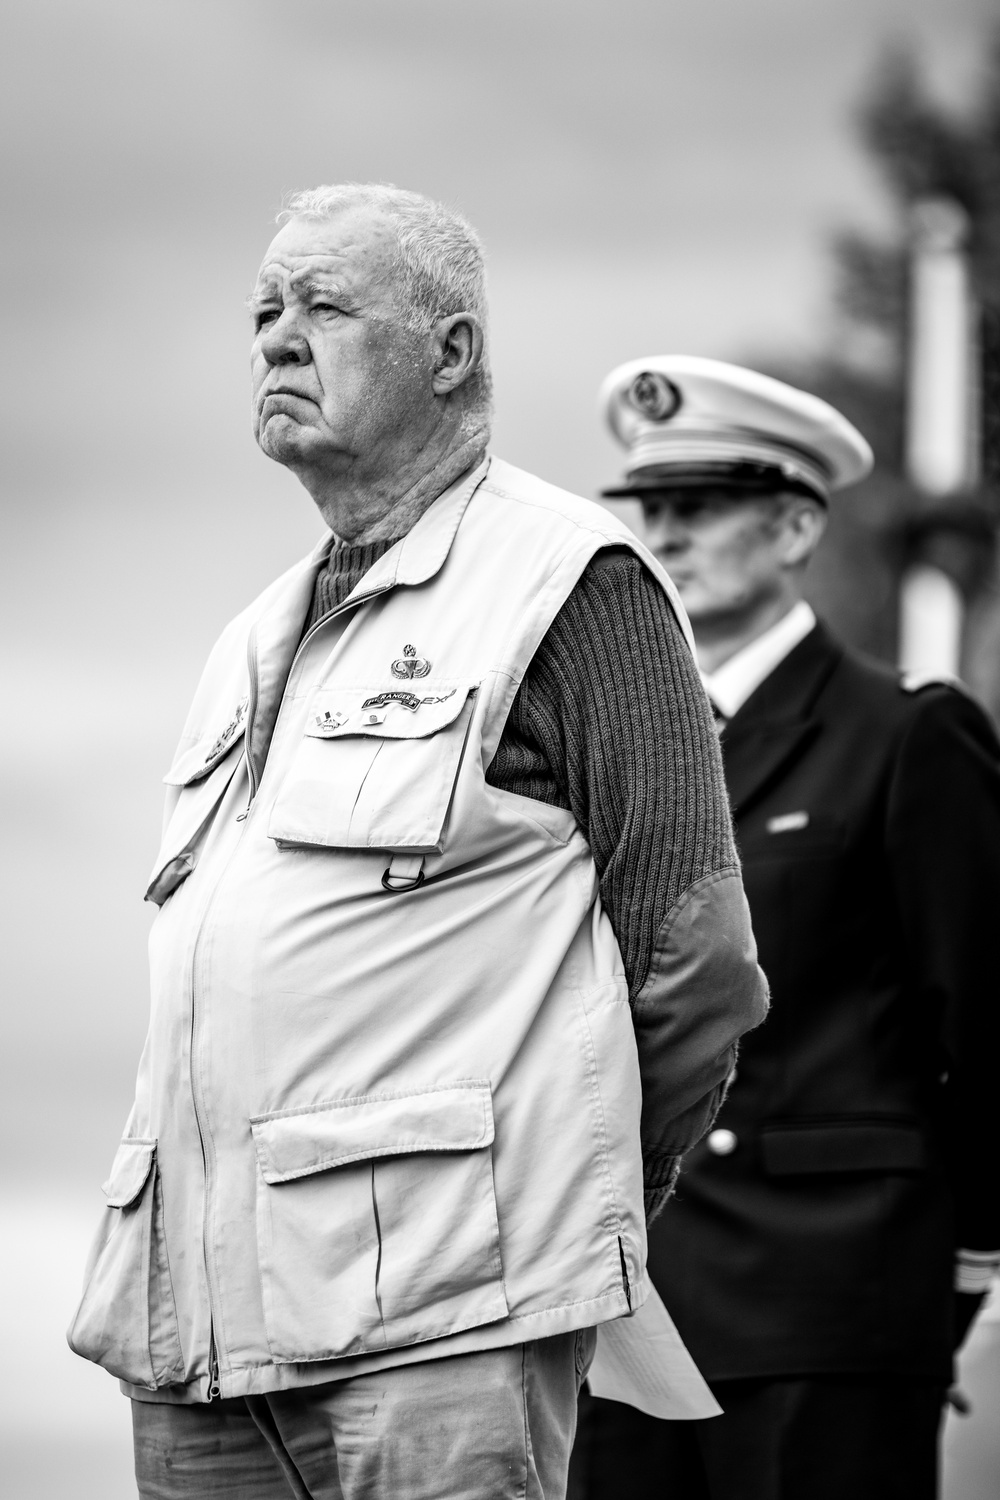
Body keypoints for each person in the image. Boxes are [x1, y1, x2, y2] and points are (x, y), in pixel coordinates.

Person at [67, 196, 768, 1499]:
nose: (278, 342)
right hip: (198, 1339)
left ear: (450, 353)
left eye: (323, 308)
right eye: (263, 315)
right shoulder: (247, 640)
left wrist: (571, 1202)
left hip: (447, 1319)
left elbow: (696, 958)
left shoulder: (573, 582)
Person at [571, 355, 1000, 1500]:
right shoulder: (606, 759)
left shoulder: (906, 737)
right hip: (624, 1314)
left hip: (832, 1300)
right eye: (651, 508)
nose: (666, 532)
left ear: (797, 526)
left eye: (701, 506)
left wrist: (950, 1267)